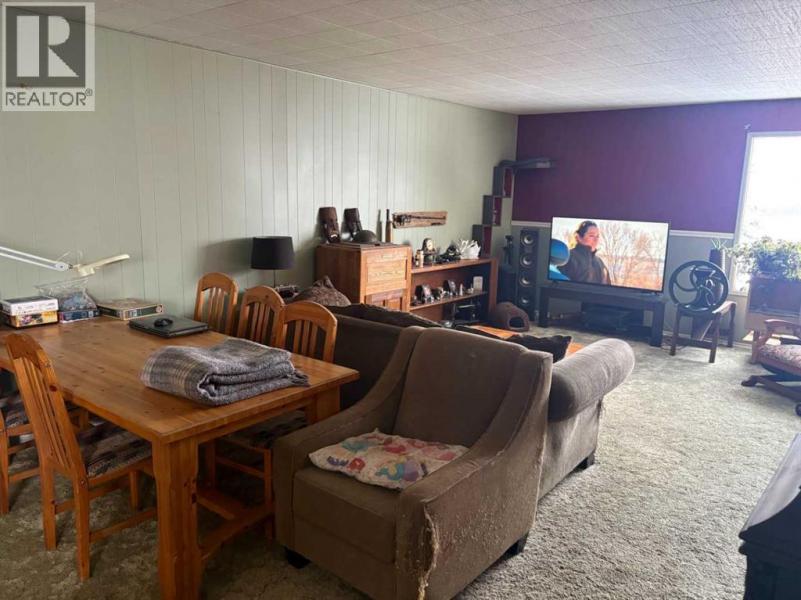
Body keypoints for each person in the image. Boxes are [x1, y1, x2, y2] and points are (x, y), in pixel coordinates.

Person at [558, 220, 611, 285]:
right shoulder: (568, 257)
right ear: (578, 237)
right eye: (591, 235)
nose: (596, 240)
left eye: (597, 236)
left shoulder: (600, 262)